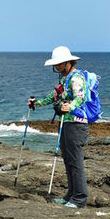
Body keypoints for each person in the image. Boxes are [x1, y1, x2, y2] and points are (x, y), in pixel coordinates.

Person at [28, 46, 90, 209]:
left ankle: (79, 198)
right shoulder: (65, 79)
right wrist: (37, 104)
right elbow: (53, 96)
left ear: (69, 62)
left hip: (77, 124)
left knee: (75, 161)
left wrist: (69, 106)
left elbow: (80, 98)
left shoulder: (76, 78)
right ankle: (71, 195)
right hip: (67, 123)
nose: (57, 67)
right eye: (56, 65)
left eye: (60, 64)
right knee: (68, 160)